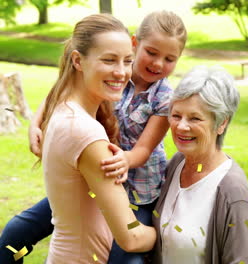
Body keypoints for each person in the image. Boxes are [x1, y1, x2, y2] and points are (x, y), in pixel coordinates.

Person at [0, 11, 186, 263]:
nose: (158, 64)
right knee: (15, 235)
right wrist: (35, 123)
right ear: (135, 43)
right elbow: (61, 90)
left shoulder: (162, 97)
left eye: (169, 59)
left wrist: (125, 159)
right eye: (151, 53)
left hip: (137, 191)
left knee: (124, 256)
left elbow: (145, 149)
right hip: (94, 176)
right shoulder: (113, 76)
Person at [151, 66, 248, 264]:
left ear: (221, 124)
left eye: (195, 118)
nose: (181, 126)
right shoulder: (177, 163)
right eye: (176, 115)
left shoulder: (233, 192)